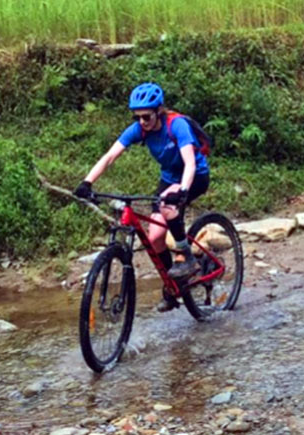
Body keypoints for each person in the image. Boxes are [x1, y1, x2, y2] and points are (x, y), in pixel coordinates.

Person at [74, 83, 211, 311]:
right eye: (137, 117)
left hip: (195, 176)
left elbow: (189, 163)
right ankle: (173, 285)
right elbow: (110, 156)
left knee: (168, 205)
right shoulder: (140, 129)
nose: (142, 122)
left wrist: (182, 191)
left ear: (159, 111)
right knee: (155, 237)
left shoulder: (176, 125)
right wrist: (87, 182)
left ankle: (186, 256)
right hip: (169, 178)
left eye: (146, 116)